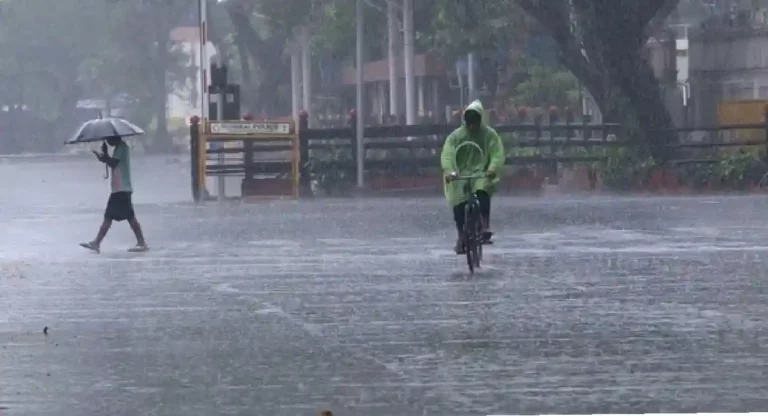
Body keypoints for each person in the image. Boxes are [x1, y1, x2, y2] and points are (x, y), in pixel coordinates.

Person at [440, 100, 504, 254]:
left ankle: (484, 224)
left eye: (475, 123)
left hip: (481, 172)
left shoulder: (489, 135)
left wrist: (492, 168)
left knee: (482, 189)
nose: (472, 127)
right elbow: (447, 154)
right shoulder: (456, 136)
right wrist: (449, 170)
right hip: (460, 173)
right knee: (458, 203)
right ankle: (461, 235)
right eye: (469, 123)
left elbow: (497, 153)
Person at [80, 136, 148, 253]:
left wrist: (105, 156)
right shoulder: (119, 148)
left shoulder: (122, 148)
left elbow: (113, 163)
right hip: (119, 188)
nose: (108, 142)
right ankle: (97, 242)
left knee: (123, 217)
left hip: (121, 188)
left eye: (109, 139)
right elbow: (112, 162)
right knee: (116, 216)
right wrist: (104, 156)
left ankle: (141, 242)